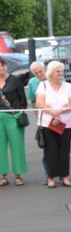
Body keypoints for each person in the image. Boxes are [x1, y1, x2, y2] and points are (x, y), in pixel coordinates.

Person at [36, 60, 71, 187]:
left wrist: (60, 112)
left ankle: (65, 177)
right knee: (50, 151)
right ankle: (51, 178)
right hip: (48, 123)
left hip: (66, 123)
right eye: (58, 71)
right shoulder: (43, 85)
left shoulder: (68, 86)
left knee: (64, 150)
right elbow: (40, 102)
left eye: (62, 71)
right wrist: (54, 113)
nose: (61, 73)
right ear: (51, 73)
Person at [0, 56, 28, 186]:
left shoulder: (15, 80)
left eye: (2, 64)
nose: (0, 67)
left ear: (5, 66)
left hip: (13, 117)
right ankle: (3, 176)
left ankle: (18, 175)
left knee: (17, 147)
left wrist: (19, 113)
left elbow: (23, 99)